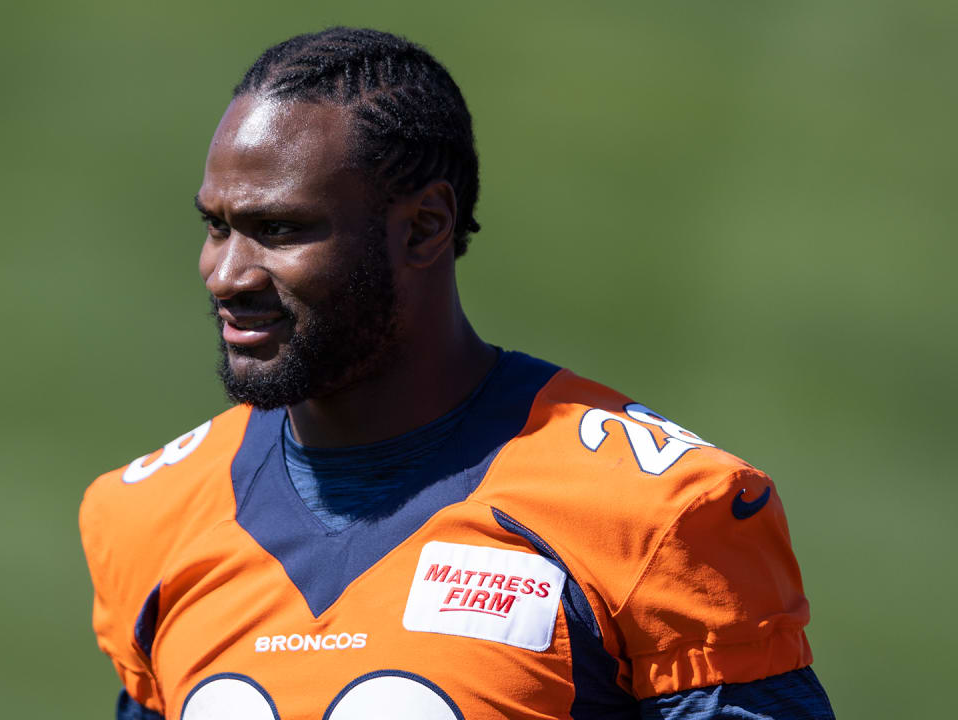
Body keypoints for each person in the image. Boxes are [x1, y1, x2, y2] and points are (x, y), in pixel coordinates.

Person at [79, 27, 835, 720]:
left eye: (280, 230)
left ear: (425, 227)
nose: (228, 275)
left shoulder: (657, 515)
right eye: (218, 226)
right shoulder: (147, 518)